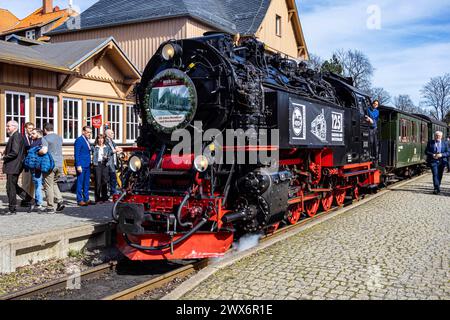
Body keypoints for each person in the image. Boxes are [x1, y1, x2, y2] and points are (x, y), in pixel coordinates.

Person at [0, 121, 30, 215]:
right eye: (7, 125)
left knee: (10, 187)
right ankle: (30, 200)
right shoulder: (16, 136)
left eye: (9, 126)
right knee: (13, 186)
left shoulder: (16, 136)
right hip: (15, 165)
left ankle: (12, 209)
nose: (7, 127)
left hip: (13, 165)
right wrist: (5, 151)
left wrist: (3, 157)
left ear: (15, 127)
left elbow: (15, 152)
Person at [39, 123, 65, 213]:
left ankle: (50, 207)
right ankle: (60, 200)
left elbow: (44, 150)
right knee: (54, 183)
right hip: (60, 164)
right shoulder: (59, 137)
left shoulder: (45, 138)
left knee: (48, 185)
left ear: (45, 130)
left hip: (50, 164)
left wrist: (39, 152)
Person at [75, 126, 94, 206]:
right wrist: (78, 165)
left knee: (86, 182)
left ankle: (86, 198)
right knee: (80, 182)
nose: (89, 134)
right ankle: (79, 200)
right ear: (83, 131)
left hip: (87, 164)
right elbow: (77, 154)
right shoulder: (79, 140)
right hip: (81, 164)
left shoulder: (87, 140)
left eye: (90, 132)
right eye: (87, 132)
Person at [93, 134, 113, 203]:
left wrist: (107, 157)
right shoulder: (94, 147)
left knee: (105, 181)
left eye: (102, 139)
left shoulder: (106, 147)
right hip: (97, 164)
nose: (100, 140)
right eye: (99, 139)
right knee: (98, 182)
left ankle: (104, 198)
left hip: (105, 164)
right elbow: (90, 153)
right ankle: (97, 199)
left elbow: (110, 155)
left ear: (104, 140)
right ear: (97, 140)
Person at [28, 129, 44, 212]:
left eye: (33, 133)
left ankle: (39, 203)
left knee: (37, 185)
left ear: (38, 134)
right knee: (39, 184)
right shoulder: (41, 141)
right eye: (31, 134)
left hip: (36, 167)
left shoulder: (36, 143)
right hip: (40, 166)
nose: (31, 135)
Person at [105, 129, 122, 197]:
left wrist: (119, 149)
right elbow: (107, 152)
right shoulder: (105, 141)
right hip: (108, 163)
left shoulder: (111, 141)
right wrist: (115, 151)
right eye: (112, 133)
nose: (113, 134)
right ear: (108, 134)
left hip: (113, 162)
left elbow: (116, 147)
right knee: (110, 178)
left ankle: (113, 191)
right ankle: (111, 192)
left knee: (113, 177)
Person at [21, 122, 35, 207]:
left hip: (33, 163)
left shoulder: (34, 138)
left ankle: (30, 198)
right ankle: (24, 200)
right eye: (29, 128)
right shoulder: (22, 138)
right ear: (25, 128)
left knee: (32, 182)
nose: (31, 130)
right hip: (26, 163)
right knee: (26, 182)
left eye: (32, 128)